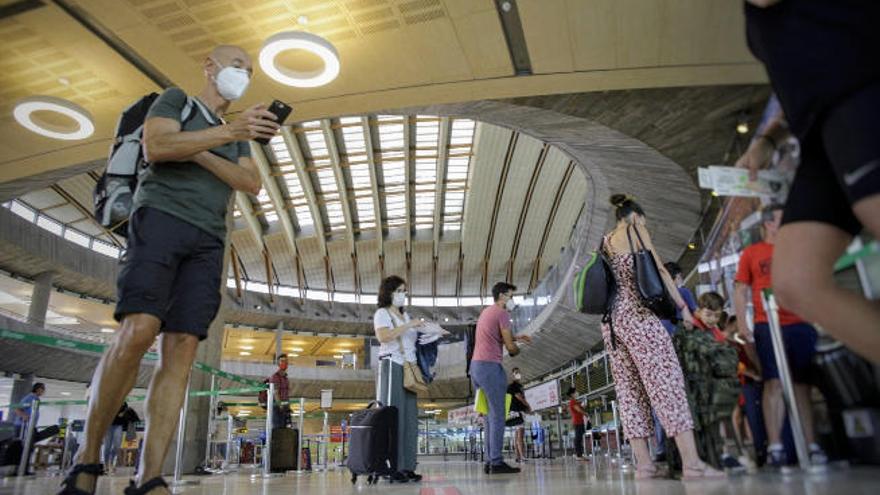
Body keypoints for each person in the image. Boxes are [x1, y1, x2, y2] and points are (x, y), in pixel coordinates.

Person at [60, 44, 280, 495]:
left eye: (250, 70)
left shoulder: (234, 131)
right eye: (237, 65)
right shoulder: (176, 99)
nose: (243, 74)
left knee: (181, 348)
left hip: (209, 241)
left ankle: (150, 475)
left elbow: (250, 183)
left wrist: (199, 147)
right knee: (138, 330)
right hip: (160, 219)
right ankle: (87, 460)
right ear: (210, 66)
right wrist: (215, 140)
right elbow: (158, 144)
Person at [739, 1, 880, 364]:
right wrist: (767, 140)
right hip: (819, 136)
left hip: (859, 95)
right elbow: (796, 76)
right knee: (795, 281)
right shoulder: (755, 18)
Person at [602, 194, 723, 480]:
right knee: (667, 384)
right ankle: (692, 465)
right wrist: (683, 308)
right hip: (641, 319)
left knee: (631, 393)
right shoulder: (635, 230)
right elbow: (658, 269)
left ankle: (644, 466)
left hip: (612, 327)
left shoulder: (605, 240)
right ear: (635, 217)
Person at [734, 204, 827, 467]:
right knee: (773, 383)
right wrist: (743, 326)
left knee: (802, 385)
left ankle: (812, 444)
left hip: (800, 322)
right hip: (768, 324)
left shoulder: (794, 251)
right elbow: (741, 290)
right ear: (768, 224)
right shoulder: (752, 253)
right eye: (781, 220)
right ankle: (775, 446)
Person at [471, 282, 532, 475]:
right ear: (503, 296)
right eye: (511, 295)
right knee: (498, 415)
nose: (513, 300)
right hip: (490, 366)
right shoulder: (503, 313)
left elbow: (494, 336)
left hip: (476, 367)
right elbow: (510, 348)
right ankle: (496, 462)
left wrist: (515, 337)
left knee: (490, 416)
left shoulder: (487, 312)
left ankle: (490, 461)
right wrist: (516, 348)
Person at [373, 275, 424, 483]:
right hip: (392, 364)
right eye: (400, 291)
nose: (404, 295)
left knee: (410, 420)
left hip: (409, 368)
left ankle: (407, 465)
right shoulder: (382, 313)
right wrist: (409, 324)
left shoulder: (405, 316)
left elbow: (412, 340)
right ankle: (393, 466)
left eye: (405, 291)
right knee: (394, 417)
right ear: (389, 292)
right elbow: (383, 337)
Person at [103, 402, 140, 474]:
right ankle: (106, 464)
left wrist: (123, 414)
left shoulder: (123, 403)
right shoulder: (108, 401)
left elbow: (125, 412)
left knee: (117, 446)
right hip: (108, 425)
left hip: (118, 425)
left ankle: (111, 462)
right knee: (107, 446)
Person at [507, 367, 531, 463]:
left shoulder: (517, 386)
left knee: (517, 435)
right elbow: (519, 397)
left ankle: (517, 456)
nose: (518, 374)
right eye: (516, 373)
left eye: (519, 372)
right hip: (517, 412)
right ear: (512, 375)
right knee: (520, 435)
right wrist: (528, 406)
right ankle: (522, 456)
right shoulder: (514, 386)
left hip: (514, 412)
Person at [268, 354, 291, 428]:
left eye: (286, 361)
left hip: (285, 406)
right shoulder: (275, 377)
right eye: (282, 361)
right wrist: (280, 405)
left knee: (285, 428)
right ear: (278, 363)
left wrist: (287, 406)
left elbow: (286, 393)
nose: (285, 363)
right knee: (278, 429)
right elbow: (276, 392)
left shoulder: (286, 378)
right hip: (277, 407)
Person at [567, 388, 589, 461]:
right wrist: (585, 413)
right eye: (575, 392)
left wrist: (584, 405)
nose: (577, 393)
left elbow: (580, 408)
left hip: (580, 421)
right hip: (577, 422)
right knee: (578, 438)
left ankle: (580, 454)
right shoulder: (572, 401)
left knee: (579, 438)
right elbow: (578, 410)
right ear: (572, 394)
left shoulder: (575, 401)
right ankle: (578, 455)